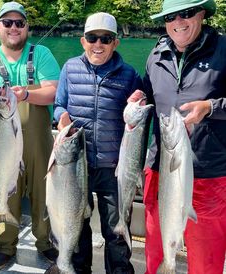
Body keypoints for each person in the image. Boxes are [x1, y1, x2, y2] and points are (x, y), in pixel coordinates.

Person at [128, 0, 226, 273]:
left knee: (206, 260)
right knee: (156, 252)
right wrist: (139, 97)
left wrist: (210, 108)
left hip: (209, 173)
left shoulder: (223, 50)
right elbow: (149, 92)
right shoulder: (157, 53)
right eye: (171, 16)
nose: (178, 22)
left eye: (186, 13)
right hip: (160, 168)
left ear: (203, 14)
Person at [0, 1, 61, 271]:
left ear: (26, 27)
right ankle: (5, 245)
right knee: (6, 191)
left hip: (39, 142)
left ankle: (45, 242)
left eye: (19, 23)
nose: (13, 28)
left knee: (43, 192)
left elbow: (54, 91)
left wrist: (25, 95)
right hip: (3, 141)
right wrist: (2, 109)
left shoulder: (41, 54)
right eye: (7, 23)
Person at [54, 12, 142, 274]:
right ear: (83, 41)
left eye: (106, 38)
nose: (98, 44)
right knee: (77, 226)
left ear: (116, 43)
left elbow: (138, 115)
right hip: (75, 164)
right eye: (93, 38)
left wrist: (140, 100)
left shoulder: (128, 75)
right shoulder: (69, 68)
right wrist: (61, 117)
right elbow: (58, 105)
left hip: (114, 167)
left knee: (116, 232)